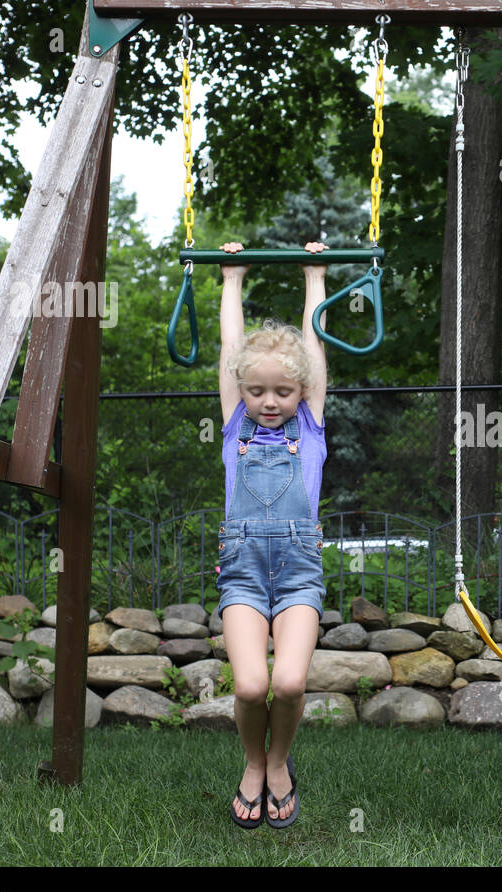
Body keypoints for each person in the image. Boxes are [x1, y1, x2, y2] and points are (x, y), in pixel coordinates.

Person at [217, 239, 329, 828]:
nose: (267, 401)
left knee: (286, 683)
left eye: (282, 392)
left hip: (297, 572)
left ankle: (280, 762)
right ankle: (253, 764)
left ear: (301, 393)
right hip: (242, 571)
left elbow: (313, 350)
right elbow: (231, 350)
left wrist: (315, 276)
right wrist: (231, 279)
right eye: (256, 390)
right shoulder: (236, 423)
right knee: (251, 683)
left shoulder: (309, 428)